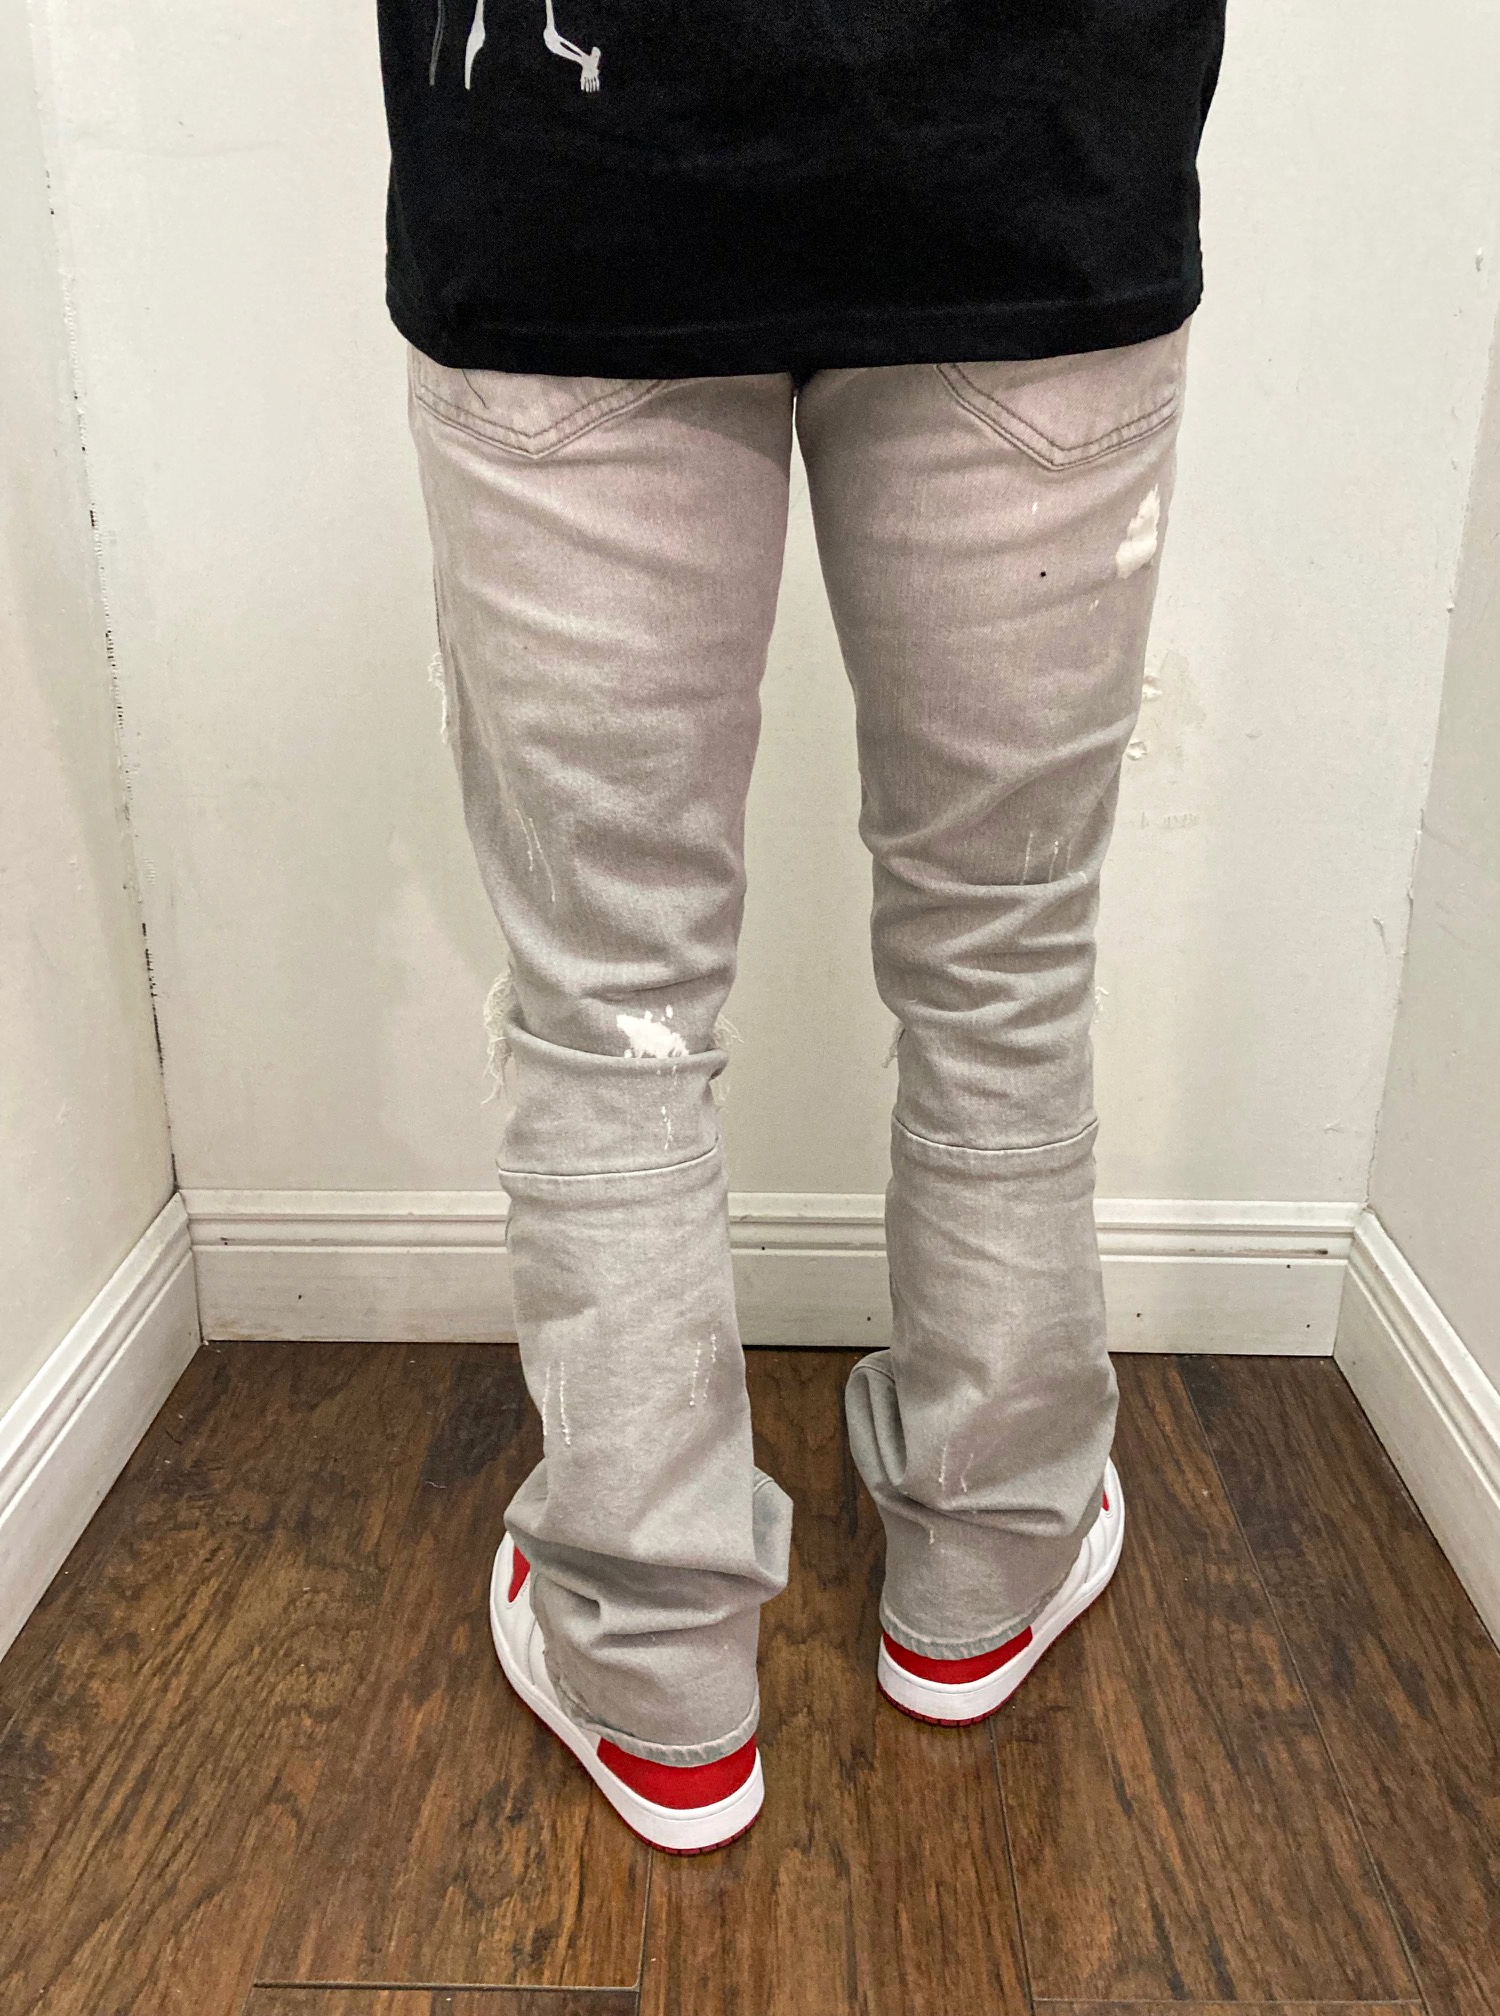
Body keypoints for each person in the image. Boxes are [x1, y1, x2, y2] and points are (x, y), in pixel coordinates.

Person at [375, 0, 1226, 1853]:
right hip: (1035, 146)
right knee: (1002, 960)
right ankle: (986, 1566)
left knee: (612, 1008)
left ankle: (654, 1673)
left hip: (569, 167)